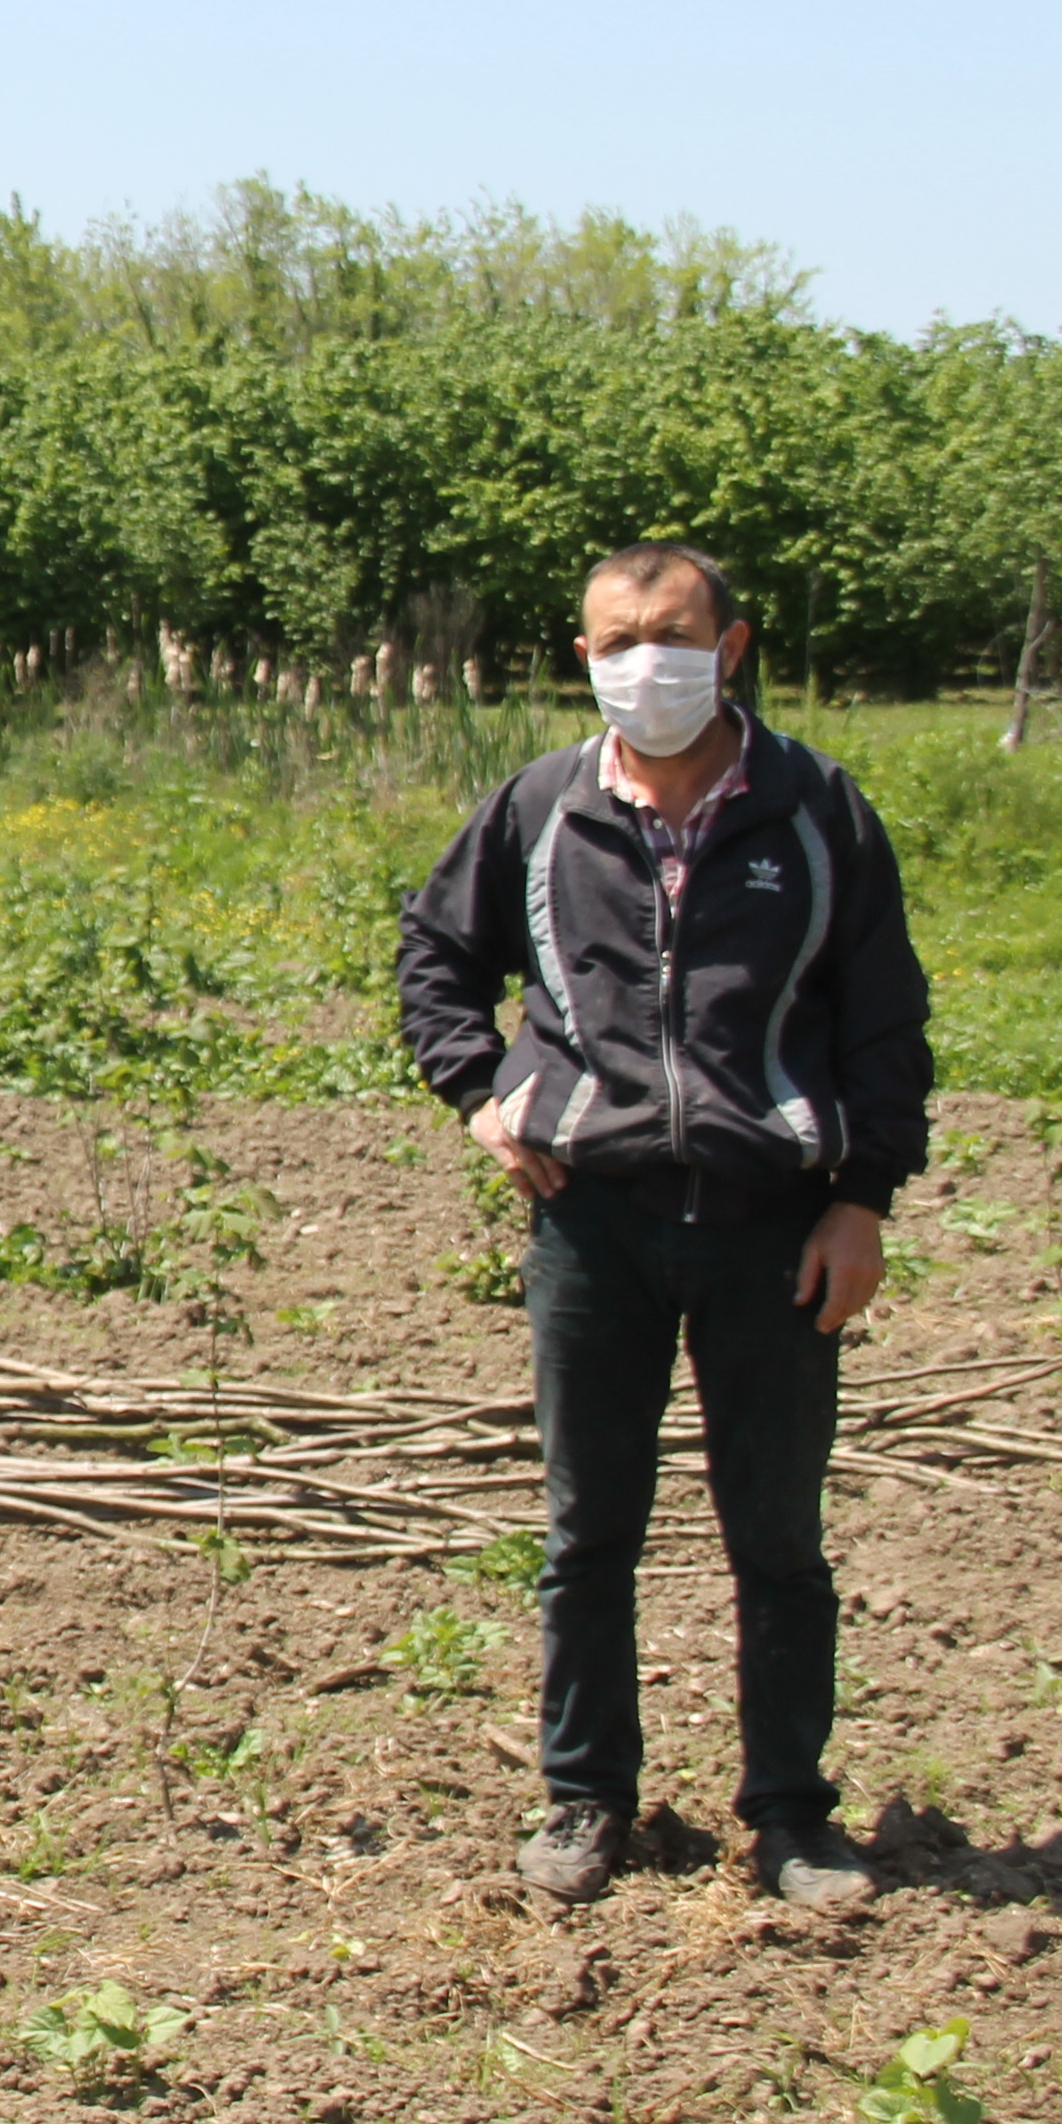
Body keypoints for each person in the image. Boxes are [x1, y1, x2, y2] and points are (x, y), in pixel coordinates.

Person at [396, 542, 931, 1913]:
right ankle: (585, 1799)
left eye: (675, 634)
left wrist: (861, 1199)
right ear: (583, 657)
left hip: (775, 1227)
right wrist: (481, 1094)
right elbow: (435, 959)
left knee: (778, 1537)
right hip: (596, 1222)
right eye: (619, 640)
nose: (649, 662)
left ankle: (794, 1817)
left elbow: (884, 1019)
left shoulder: (817, 811)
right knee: (588, 1535)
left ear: (733, 644)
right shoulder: (540, 810)